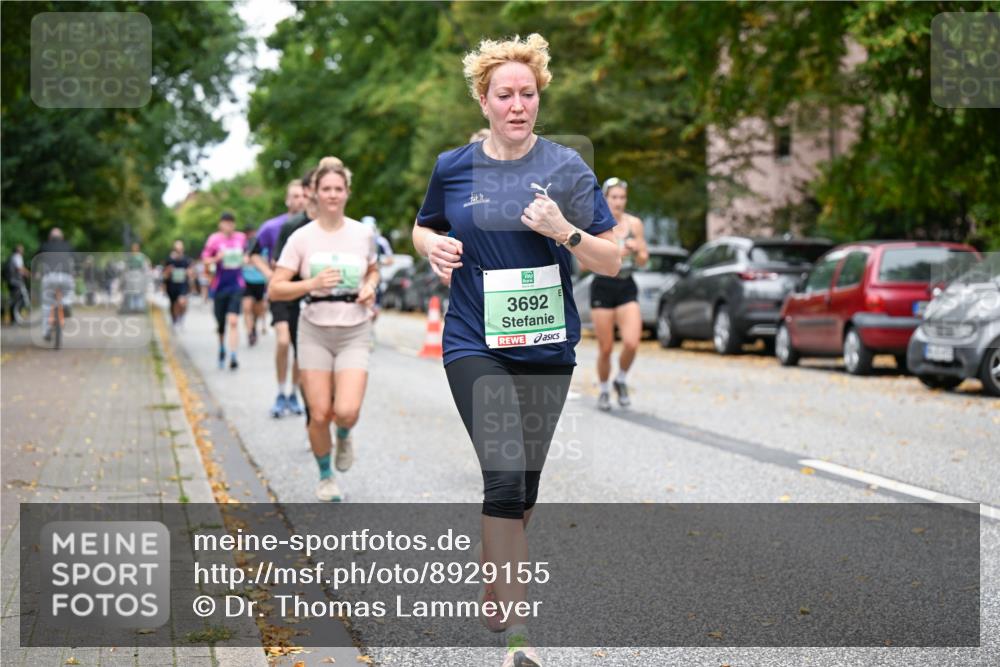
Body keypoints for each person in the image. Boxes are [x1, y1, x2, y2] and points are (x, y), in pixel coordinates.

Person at [411, 34, 619, 667]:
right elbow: (425, 223)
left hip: (548, 347)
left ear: (538, 97)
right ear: (484, 100)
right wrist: (431, 247)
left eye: (527, 94)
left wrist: (566, 230)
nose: (518, 105)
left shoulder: (566, 169)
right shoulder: (454, 167)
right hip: (475, 341)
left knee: (523, 491)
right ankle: (522, 642)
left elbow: (610, 260)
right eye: (505, 94)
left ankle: (498, 573)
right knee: (502, 478)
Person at [270, 157, 379, 503]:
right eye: (326, 189)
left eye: (338, 189)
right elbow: (276, 288)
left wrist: (370, 286)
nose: (332, 195)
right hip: (314, 328)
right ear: (315, 193)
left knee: (345, 410)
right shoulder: (302, 238)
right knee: (318, 413)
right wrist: (312, 282)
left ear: (347, 192)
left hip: (354, 329)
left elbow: (373, 270)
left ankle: (344, 434)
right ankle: (326, 475)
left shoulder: (363, 233)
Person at [250, 179, 308, 417]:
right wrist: (269, 275)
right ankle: (280, 391)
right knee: (283, 341)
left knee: (299, 347)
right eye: (294, 196)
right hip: (280, 291)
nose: (299, 200)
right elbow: (252, 254)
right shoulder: (272, 227)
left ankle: (294, 393)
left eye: (302, 196)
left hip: (303, 292)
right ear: (287, 199)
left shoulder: (313, 226)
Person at [592, 177, 649, 411]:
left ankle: (621, 379)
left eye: (622, 197)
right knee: (606, 348)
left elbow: (645, 260)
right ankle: (604, 389)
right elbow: (586, 263)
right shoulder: (596, 223)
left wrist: (637, 251)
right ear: (605, 198)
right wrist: (617, 253)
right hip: (603, 285)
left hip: (626, 285)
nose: (618, 202)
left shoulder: (634, 224)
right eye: (614, 197)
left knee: (632, 342)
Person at [200, 212, 247, 370]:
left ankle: (233, 355)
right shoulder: (214, 239)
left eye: (231, 223)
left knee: (233, 321)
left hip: (236, 285)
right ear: (220, 224)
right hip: (219, 285)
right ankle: (222, 348)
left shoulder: (241, 238)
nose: (229, 226)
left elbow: (247, 255)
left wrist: (245, 259)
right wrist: (216, 259)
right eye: (226, 223)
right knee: (221, 324)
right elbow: (205, 260)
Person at [35, 228, 76, 341]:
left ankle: (46, 332)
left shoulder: (44, 246)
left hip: (49, 277)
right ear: (62, 238)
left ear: (49, 238)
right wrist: (75, 272)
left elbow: (36, 260)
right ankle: (66, 303)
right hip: (65, 275)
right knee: (69, 291)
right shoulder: (68, 246)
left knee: (47, 305)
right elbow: (75, 260)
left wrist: (36, 273)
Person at [241, 226, 268, 346]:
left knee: (257, 310)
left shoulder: (264, 248)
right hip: (246, 281)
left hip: (260, 282)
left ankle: (254, 326)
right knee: (247, 307)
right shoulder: (243, 248)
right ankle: (250, 332)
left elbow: (266, 262)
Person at [162, 240, 193, 329]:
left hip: (183, 284)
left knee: (182, 302)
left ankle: (181, 318)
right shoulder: (169, 259)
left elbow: (191, 273)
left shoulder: (186, 259)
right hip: (172, 285)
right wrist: (168, 271)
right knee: (173, 304)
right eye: (177, 249)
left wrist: (188, 273)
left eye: (181, 249)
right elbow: (164, 274)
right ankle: (174, 320)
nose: (179, 251)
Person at [4, 244, 30, 323]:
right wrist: (28, 273)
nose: (23, 251)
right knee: (18, 299)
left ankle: (14, 318)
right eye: (22, 249)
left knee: (15, 299)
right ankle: (15, 318)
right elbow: (19, 268)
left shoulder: (12, 257)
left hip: (11, 281)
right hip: (16, 282)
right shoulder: (17, 257)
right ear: (19, 250)